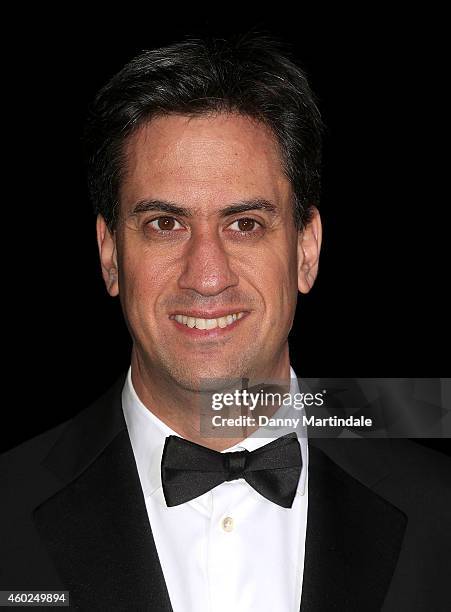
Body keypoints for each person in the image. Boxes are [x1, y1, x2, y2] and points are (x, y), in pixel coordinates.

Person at [1, 34, 450, 612]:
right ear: (110, 254)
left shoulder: (440, 514)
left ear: (306, 249)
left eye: (244, 224)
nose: (206, 276)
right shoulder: (6, 516)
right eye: (165, 224)